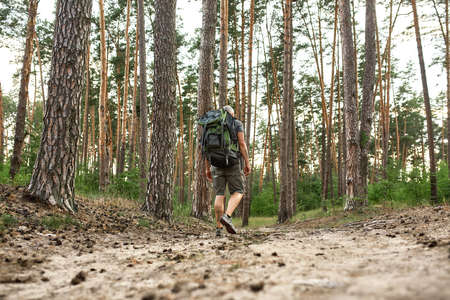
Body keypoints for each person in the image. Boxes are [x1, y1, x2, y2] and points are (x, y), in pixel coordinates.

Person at [205, 105, 251, 236]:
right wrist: (247, 162)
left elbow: (205, 149)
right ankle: (227, 216)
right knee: (238, 191)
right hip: (233, 162)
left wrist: (207, 168)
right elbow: (241, 143)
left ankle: (218, 228)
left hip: (215, 164)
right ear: (231, 113)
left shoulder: (211, 125)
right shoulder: (236, 123)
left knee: (219, 194)